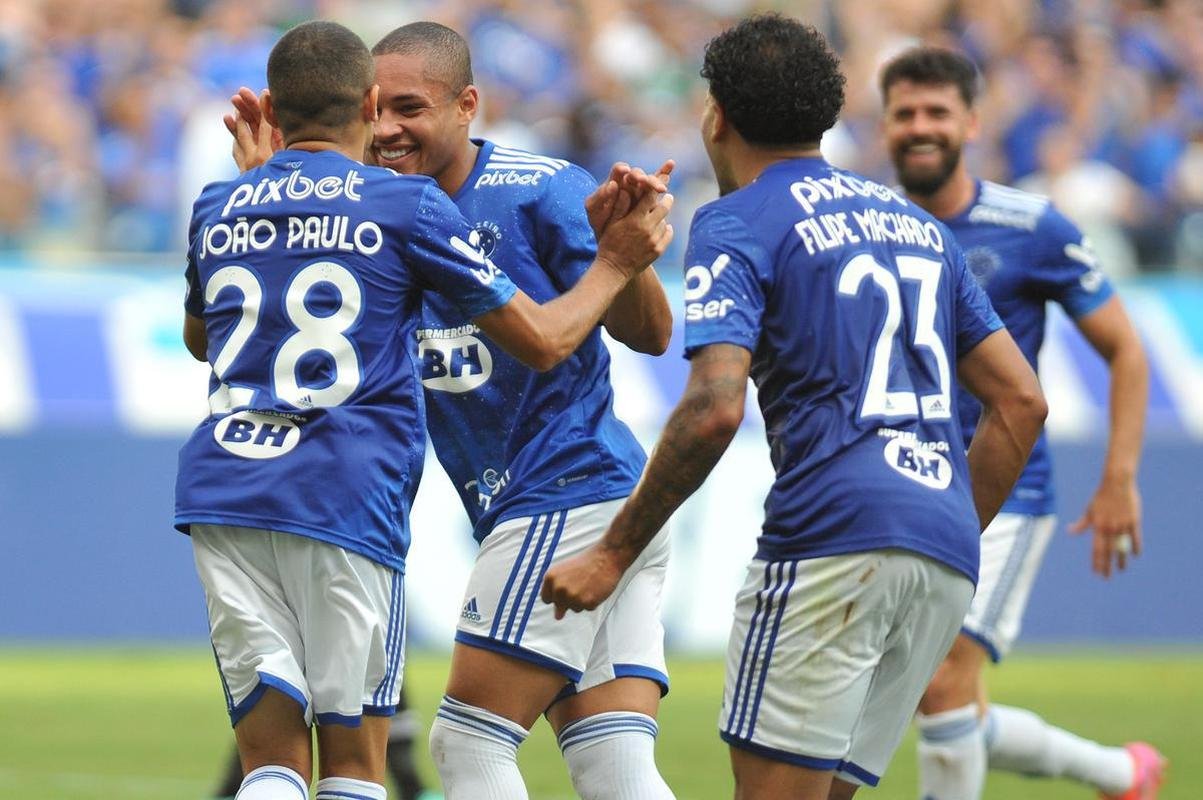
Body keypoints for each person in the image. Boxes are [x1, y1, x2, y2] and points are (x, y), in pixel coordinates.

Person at [542, 14, 1047, 800]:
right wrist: (938, 523)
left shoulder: (737, 221)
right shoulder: (918, 228)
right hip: (941, 555)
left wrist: (613, 551)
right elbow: (1020, 399)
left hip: (830, 539)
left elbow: (714, 407)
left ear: (717, 117)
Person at [178, 20, 671, 800]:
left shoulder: (541, 189)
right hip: (503, 505)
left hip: (564, 490)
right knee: (612, 762)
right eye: (381, 110)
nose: (388, 128)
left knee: (466, 742)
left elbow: (648, 333)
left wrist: (621, 261)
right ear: (359, 100)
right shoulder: (389, 209)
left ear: (467, 104)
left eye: (411, 108)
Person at [877, 46, 1164, 800]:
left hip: (1002, 490)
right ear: (884, 125)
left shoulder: (1030, 226)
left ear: (970, 121)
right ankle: (1117, 773)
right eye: (904, 112)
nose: (919, 127)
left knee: (941, 685)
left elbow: (1125, 352)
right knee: (932, 701)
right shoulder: (864, 223)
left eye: (935, 111)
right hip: (898, 487)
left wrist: (1119, 478)